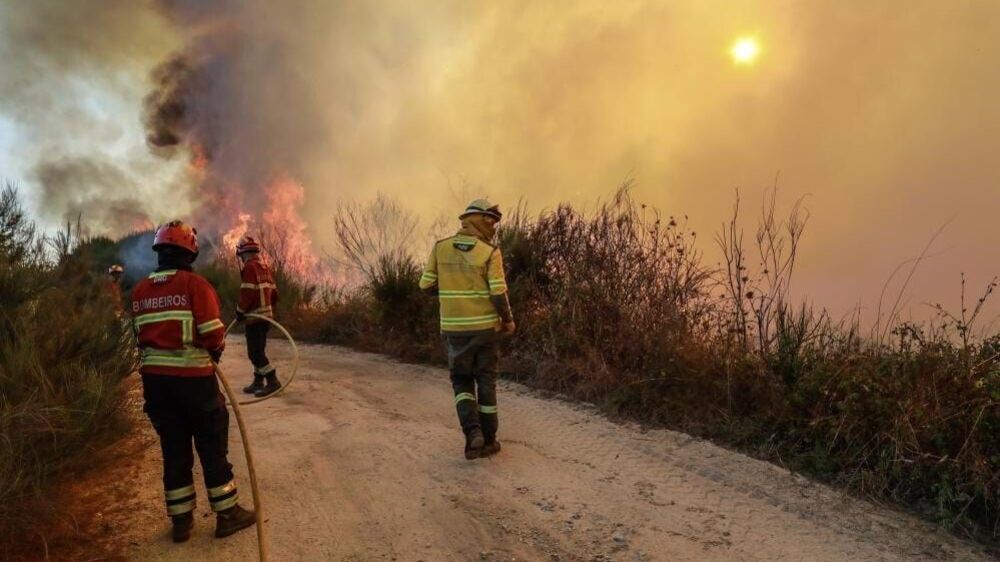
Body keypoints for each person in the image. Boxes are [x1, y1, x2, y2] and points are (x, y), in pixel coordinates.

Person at [131, 220, 256, 543]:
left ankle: (181, 522)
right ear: (190, 251)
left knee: (173, 450)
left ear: (160, 251)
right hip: (195, 383)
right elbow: (214, 334)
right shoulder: (195, 286)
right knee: (211, 446)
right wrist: (214, 353)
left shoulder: (140, 290)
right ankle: (227, 514)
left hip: (156, 386)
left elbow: (138, 337)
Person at [419, 199, 516, 460]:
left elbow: (425, 285)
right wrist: (508, 320)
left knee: (461, 381)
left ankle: (473, 434)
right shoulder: (489, 252)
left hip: (453, 330)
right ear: (481, 220)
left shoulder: (441, 248)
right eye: (491, 221)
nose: (494, 227)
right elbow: (498, 291)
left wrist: (452, 292)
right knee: (486, 381)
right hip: (486, 329)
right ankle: (490, 440)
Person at [234, 235, 281, 397]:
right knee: (259, 349)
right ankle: (258, 381)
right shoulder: (265, 267)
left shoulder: (249, 268)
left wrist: (240, 311)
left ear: (242, 254)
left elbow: (247, 292)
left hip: (254, 318)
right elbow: (275, 293)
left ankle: (272, 380)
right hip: (266, 317)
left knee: (255, 353)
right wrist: (268, 309)